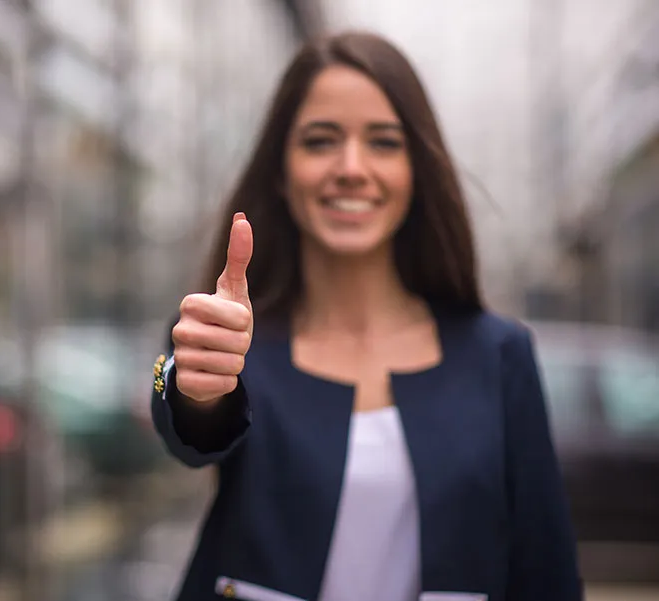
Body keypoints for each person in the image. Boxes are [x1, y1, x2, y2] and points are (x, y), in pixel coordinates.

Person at [150, 30, 582, 601]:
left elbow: (546, 567)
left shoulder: (500, 356)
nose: (352, 168)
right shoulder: (229, 336)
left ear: (417, 168)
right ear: (280, 170)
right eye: (320, 141)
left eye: (383, 142)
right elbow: (188, 429)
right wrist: (198, 389)